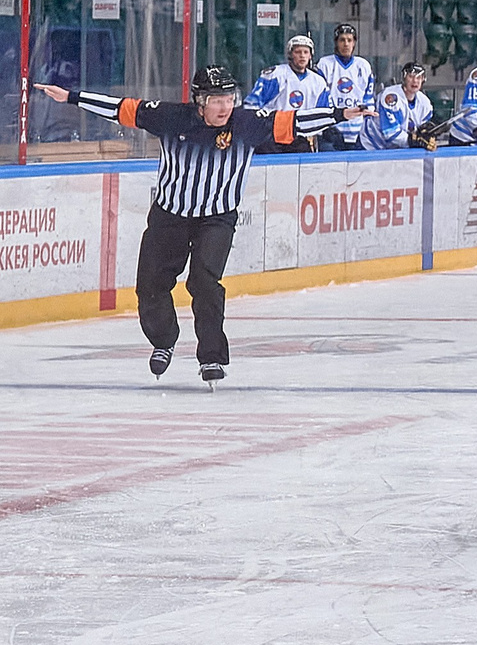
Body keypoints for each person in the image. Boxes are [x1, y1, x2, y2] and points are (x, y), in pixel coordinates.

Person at [37, 67, 339, 383]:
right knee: (151, 286)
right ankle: (164, 340)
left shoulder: (248, 123)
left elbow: (297, 122)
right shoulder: (170, 117)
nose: (224, 107)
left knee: (205, 283)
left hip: (217, 217)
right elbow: (121, 109)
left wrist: (341, 114)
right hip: (170, 215)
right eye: (216, 100)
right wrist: (72, 97)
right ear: (199, 101)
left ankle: (212, 358)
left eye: (229, 99)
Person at [246, 34, 328, 153]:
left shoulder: (318, 82)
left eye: (306, 52)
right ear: (290, 54)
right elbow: (252, 105)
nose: (302, 56)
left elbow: (323, 113)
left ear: (310, 56)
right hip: (272, 138)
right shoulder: (275, 75)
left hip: (301, 139)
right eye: (298, 52)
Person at [313, 23, 374, 152]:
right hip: (331, 132)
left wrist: (366, 124)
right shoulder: (324, 64)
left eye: (349, 40)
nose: (346, 44)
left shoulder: (363, 66)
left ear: (354, 43)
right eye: (342, 40)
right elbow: (319, 100)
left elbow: (368, 100)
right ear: (336, 42)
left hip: (358, 133)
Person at [365, 62, 438, 150]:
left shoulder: (425, 103)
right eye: (411, 76)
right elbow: (390, 133)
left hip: (395, 148)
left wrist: (426, 135)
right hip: (370, 144)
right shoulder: (390, 97)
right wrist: (413, 141)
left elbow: (420, 131)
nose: (415, 81)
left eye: (418, 77)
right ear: (404, 78)